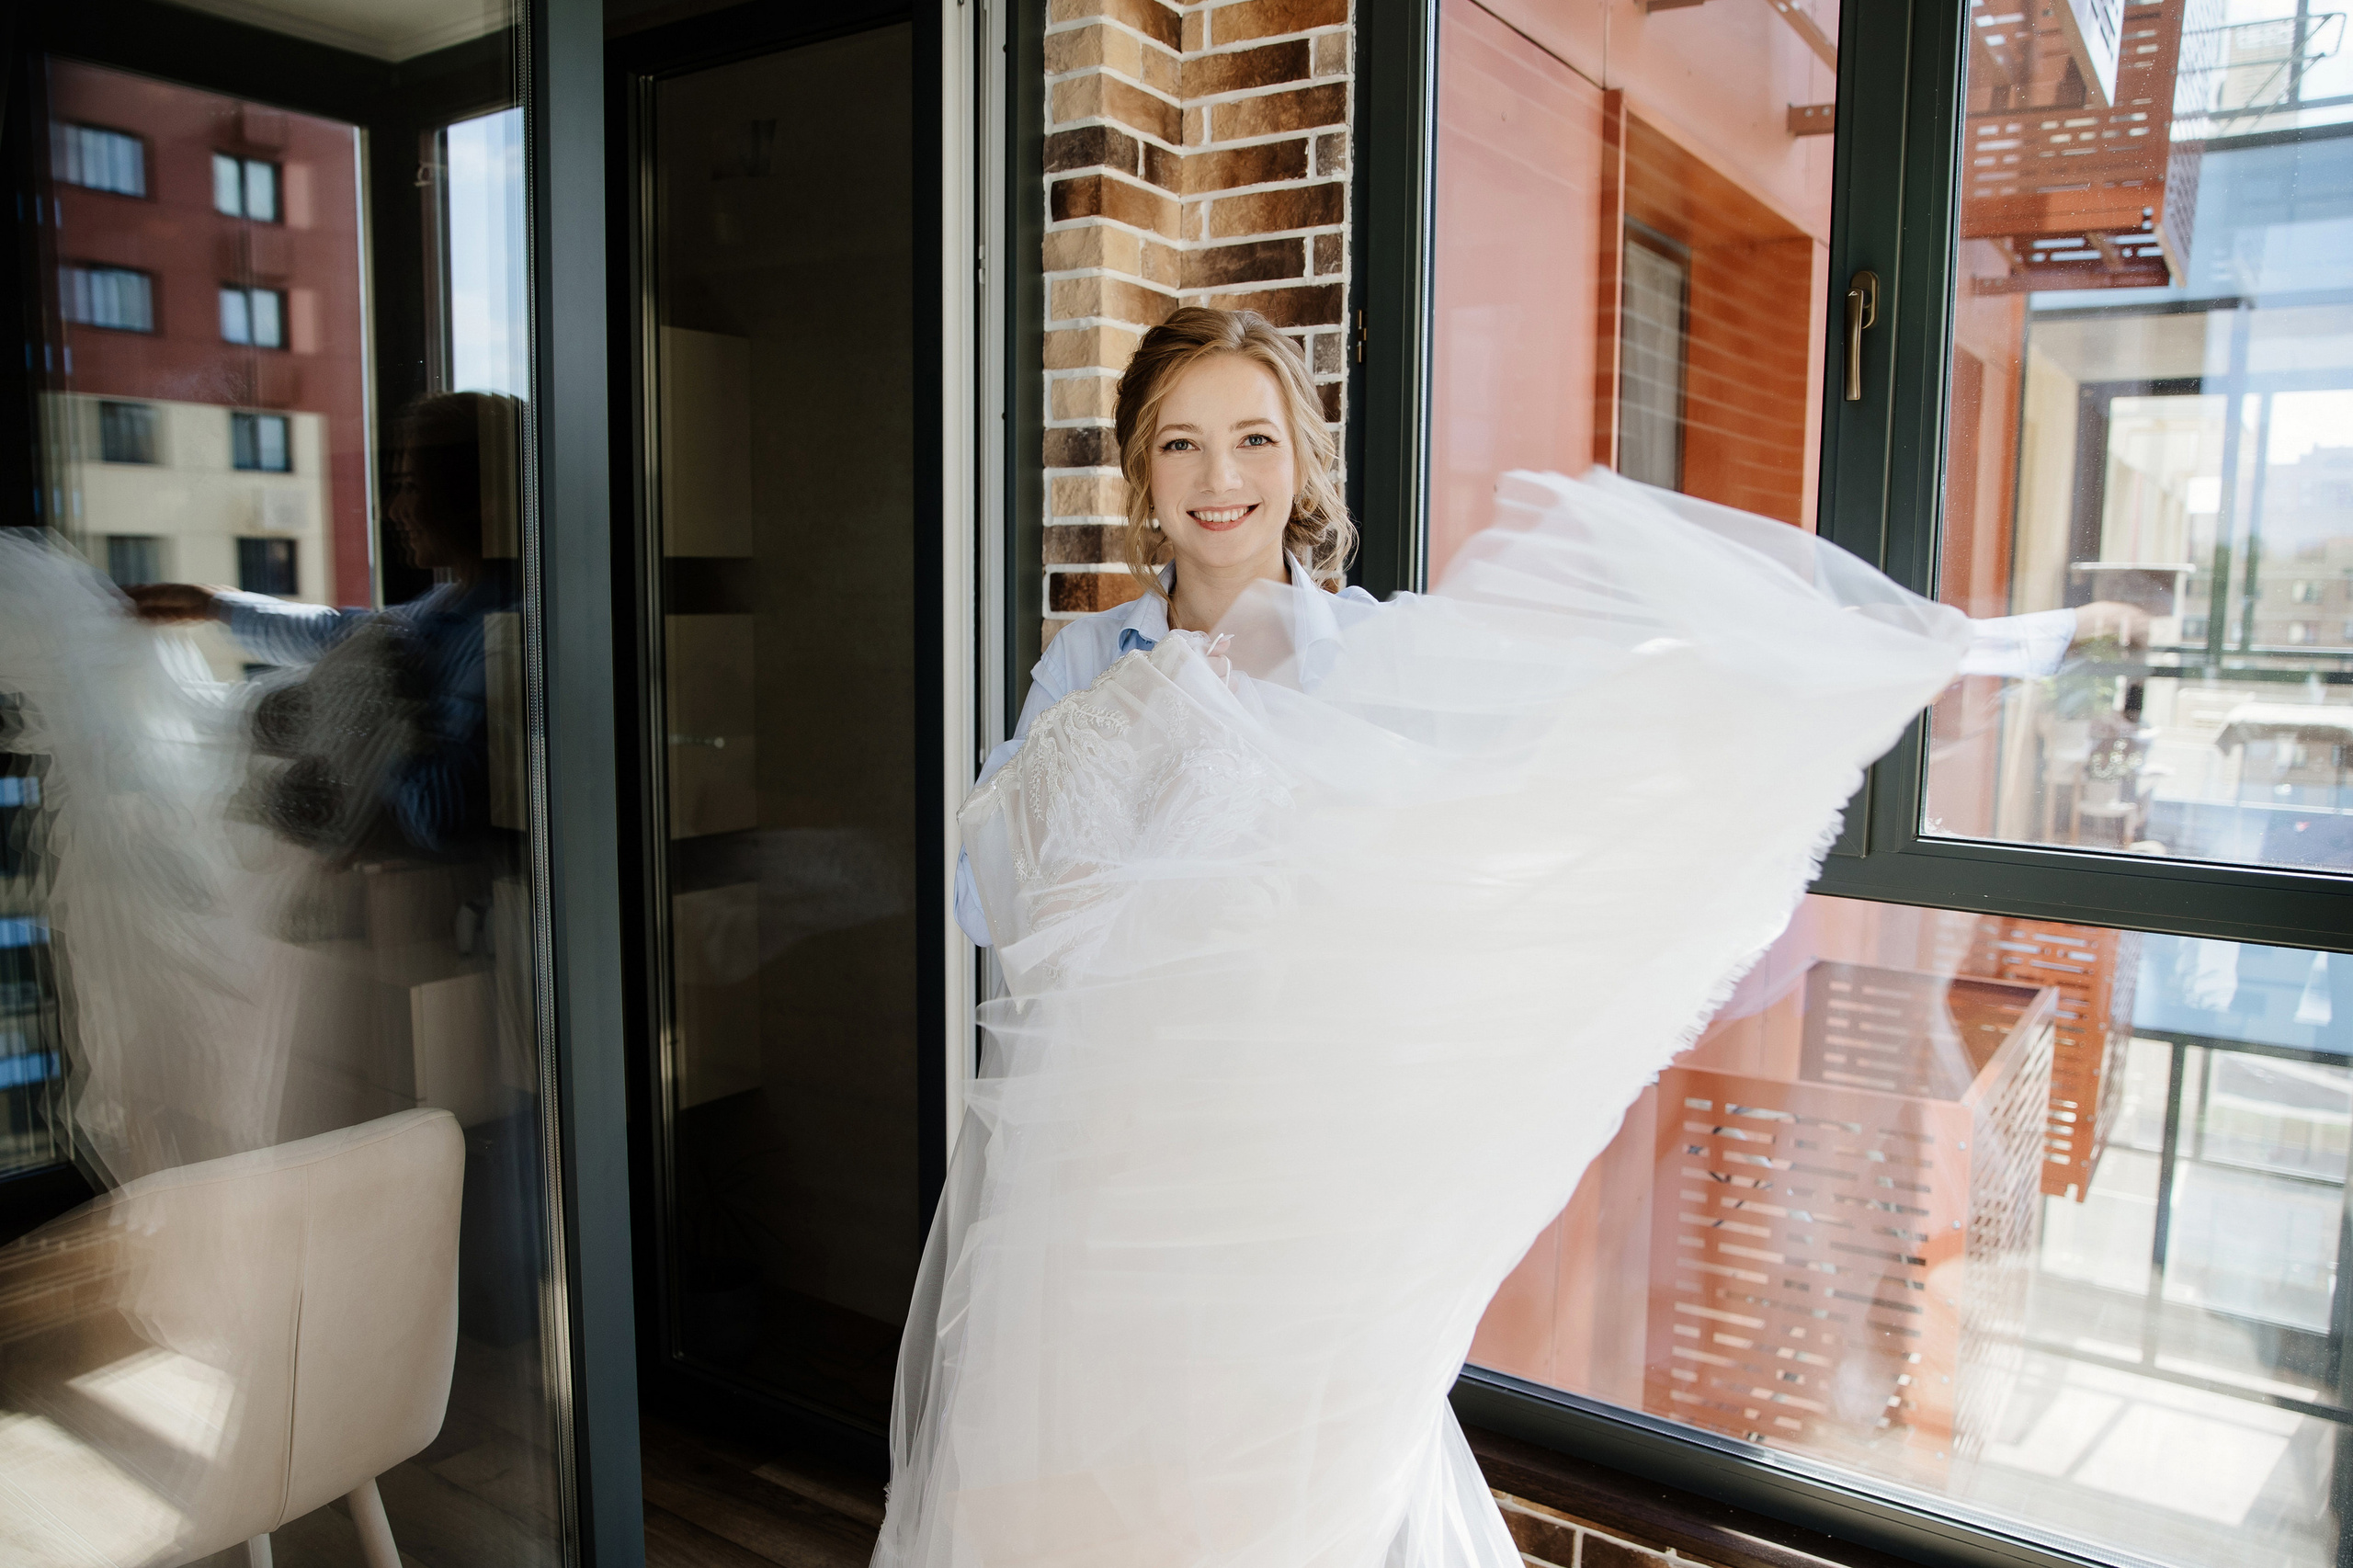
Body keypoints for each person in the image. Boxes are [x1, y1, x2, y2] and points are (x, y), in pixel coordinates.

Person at [884, 308, 2152, 1568]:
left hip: (1295, 1164)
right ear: (1142, 473)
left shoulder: (1369, 652)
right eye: (1182, 444)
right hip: (1108, 1162)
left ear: (1302, 462)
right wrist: (1142, 730)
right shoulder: (1090, 660)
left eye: (1254, 438)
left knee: (1280, 1488)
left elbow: (1577, 728)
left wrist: (1884, 661)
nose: (1222, 477)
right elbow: (989, 904)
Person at [128, 392, 518, 858]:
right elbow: (339, 633)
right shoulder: (445, 605)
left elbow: (440, 816)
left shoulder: (505, 638)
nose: (393, 510)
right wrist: (217, 605)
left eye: (412, 487)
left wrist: (386, 707)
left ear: (481, 502)